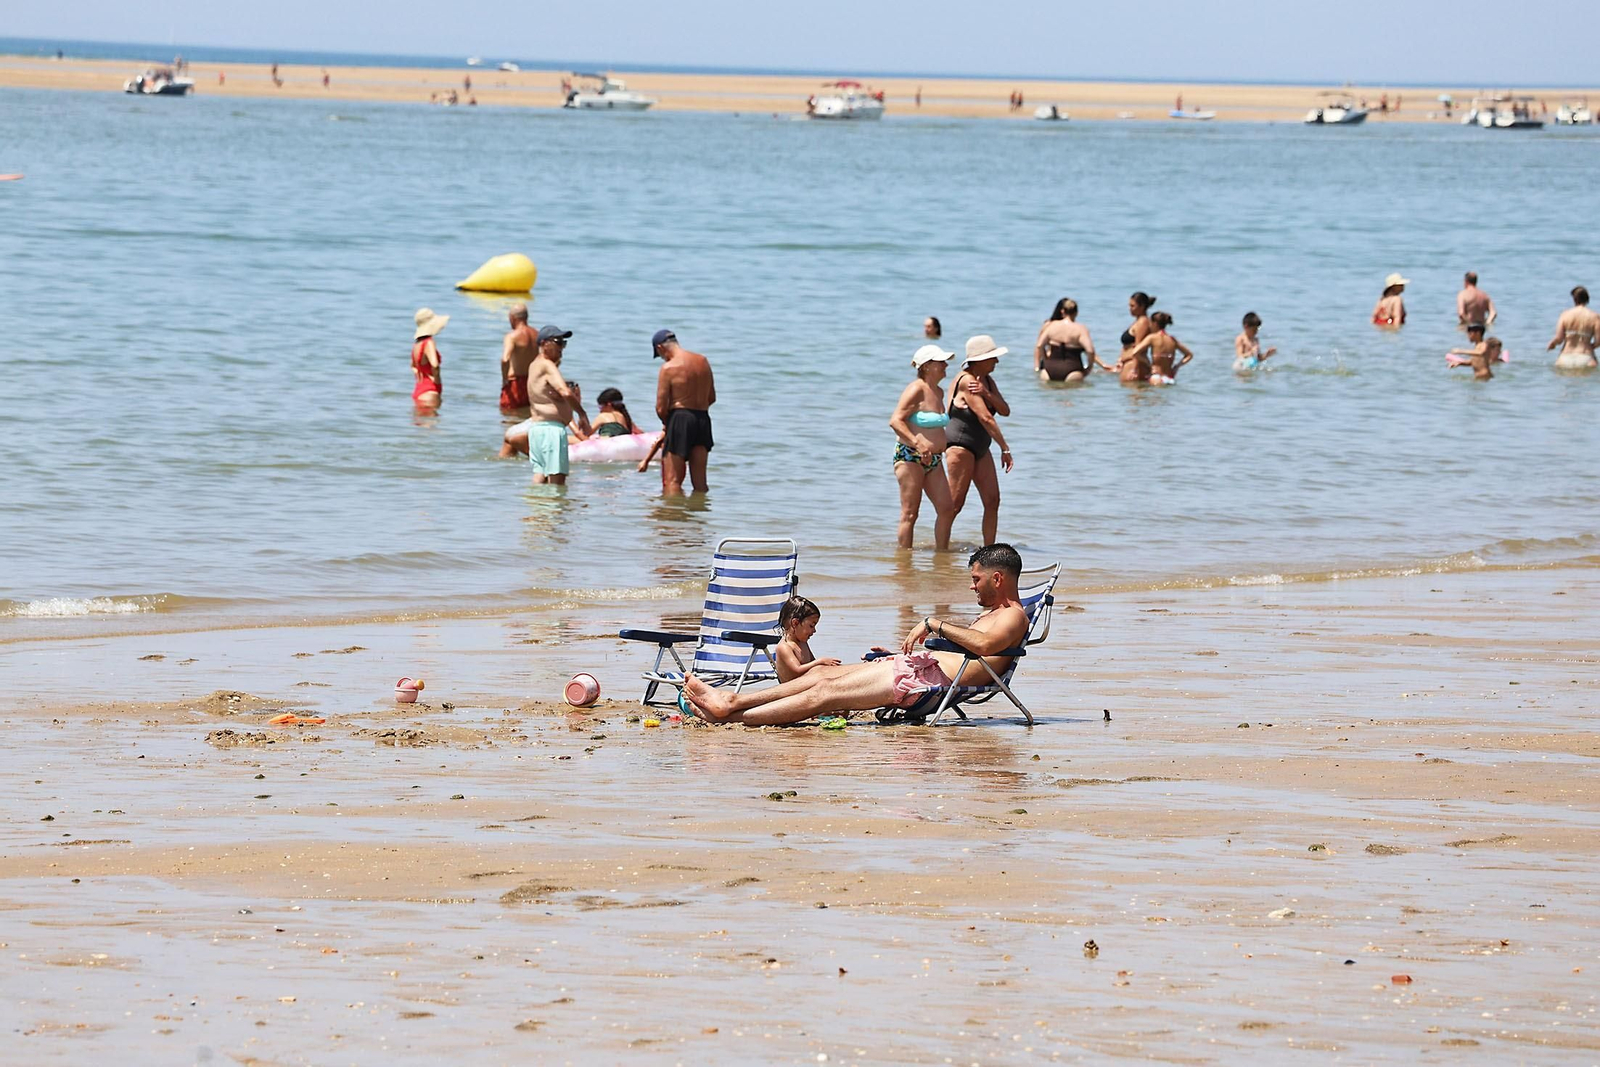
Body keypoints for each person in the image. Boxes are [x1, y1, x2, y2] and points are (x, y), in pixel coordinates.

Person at [684, 545, 1031, 726]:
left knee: (826, 694)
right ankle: (731, 701)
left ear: (997, 578)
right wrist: (899, 653)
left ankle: (728, 710)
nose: (972, 586)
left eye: (976, 579)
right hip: (918, 668)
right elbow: (967, 650)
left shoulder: (1013, 616)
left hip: (922, 682)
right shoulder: (992, 614)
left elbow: (985, 647)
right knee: (820, 674)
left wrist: (932, 623)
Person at [945, 336, 1014, 546]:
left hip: (981, 448)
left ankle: (989, 550)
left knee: (993, 501)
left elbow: (1005, 410)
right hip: (960, 447)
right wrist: (1005, 448)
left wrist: (987, 393)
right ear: (979, 359)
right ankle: (941, 551)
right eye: (993, 357)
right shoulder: (966, 380)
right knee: (955, 504)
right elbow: (985, 417)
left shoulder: (987, 381)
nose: (997, 362)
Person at [890, 345, 957, 552]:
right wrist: (918, 444)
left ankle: (942, 557)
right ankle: (904, 564)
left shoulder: (938, 391)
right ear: (927, 366)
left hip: (934, 459)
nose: (946, 365)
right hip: (910, 456)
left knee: (947, 509)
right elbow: (895, 421)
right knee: (910, 513)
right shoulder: (915, 389)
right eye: (941, 362)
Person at [652, 330, 716, 494]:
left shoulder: (668, 368)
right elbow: (712, 397)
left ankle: (673, 517)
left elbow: (660, 407)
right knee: (700, 482)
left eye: (660, 355)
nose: (663, 359)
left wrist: (668, 424)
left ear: (660, 348)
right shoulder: (703, 361)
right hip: (702, 419)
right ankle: (699, 517)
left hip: (680, 419)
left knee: (673, 480)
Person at [524, 325, 588, 484]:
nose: (562, 348)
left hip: (537, 430)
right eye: (558, 342)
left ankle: (537, 509)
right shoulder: (547, 365)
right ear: (544, 343)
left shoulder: (534, 365)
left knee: (540, 479)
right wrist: (582, 414)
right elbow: (565, 392)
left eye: (563, 343)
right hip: (552, 430)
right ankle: (554, 509)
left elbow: (546, 391)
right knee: (557, 484)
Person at [1033, 298, 1111, 382]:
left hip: (1049, 369)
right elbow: (1090, 351)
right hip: (1072, 369)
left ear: (1062, 311)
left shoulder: (1051, 325)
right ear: (1076, 313)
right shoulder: (1081, 329)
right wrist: (1089, 367)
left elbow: (1039, 345)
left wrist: (1045, 361)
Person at [773, 595, 842, 683]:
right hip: (791, 692)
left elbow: (813, 665)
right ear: (795, 623)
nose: (814, 630)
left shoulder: (802, 643)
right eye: (811, 626)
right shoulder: (784, 647)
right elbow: (797, 670)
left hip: (806, 686)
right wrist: (820, 661)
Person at [1123, 311, 1193, 383]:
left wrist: (1148, 364)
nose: (1149, 326)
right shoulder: (1172, 339)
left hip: (1156, 377)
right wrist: (1176, 367)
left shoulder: (1152, 337)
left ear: (1155, 324)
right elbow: (1189, 355)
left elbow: (1135, 352)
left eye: (1150, 323)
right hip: (1170, 378)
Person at [1547, 286, 1599, 370]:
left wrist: (1553, 343)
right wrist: (1589, 347)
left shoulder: (1565, 314)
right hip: (1585, 356)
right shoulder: (1595, 316)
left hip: (1565, 357)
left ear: (1574, 299)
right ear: (1587, 299)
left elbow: (1559, 339)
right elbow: (1598, 342)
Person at [499, 303, 538, 413]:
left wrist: (504, 380)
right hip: (532, 383)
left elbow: (505, 359)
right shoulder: (537, 334)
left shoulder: (512, 336)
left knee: (509, 416)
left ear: (512, 318)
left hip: (515, 383)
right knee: (528, 417)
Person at [410, 308, 447, 411]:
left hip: (419, 390)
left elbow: (413, 366)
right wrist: (436, 381)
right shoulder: (428, 342)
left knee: (419, 425)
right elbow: (435, 365)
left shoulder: (417, 344)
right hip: (430, 391)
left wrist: (422, 377)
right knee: (433, 425)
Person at [1116, 292, 1158, 383]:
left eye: (1132, 306)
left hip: (1135, 365)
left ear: (1142, 306)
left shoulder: (1143, 322)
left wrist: (1135, 369)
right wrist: (1120, 359)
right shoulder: (1137, 322)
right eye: (1129, 306)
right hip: (1128, 363)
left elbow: (1138, 348)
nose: (1130, 309)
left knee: (1135, 395)